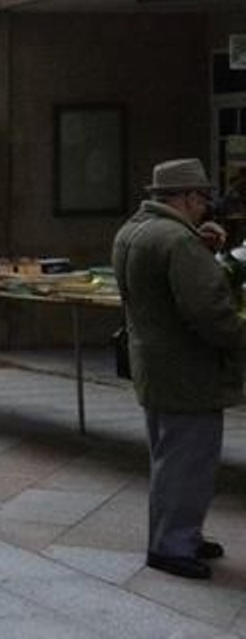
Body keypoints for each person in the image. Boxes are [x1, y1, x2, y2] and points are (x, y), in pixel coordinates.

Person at [113, 158, 246, 580]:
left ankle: (179, 535)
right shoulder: (177, 241)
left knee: (170, 458)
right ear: (187, 197)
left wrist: (197, 246)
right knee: (189, 463)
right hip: (188, 371)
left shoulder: (133, 230)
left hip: (154, 365)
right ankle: (171, 545)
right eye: (202, 198)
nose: (206, 206)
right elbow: (209, 312)